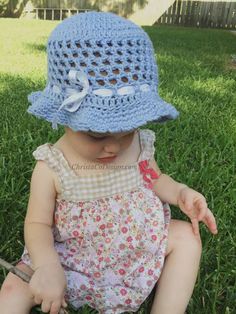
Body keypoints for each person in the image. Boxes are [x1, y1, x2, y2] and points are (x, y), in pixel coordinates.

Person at [0, 11, 218, 314]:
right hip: (70, 258)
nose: (114, 146)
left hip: (132, 248)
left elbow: (152, 178)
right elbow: (37, 223)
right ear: (64, 115)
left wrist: (180, 192)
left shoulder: (139, 145)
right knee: (12, 289)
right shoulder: (52, 164)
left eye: (127, 131)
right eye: (95, 134)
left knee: (187, 238)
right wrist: (48, 266)